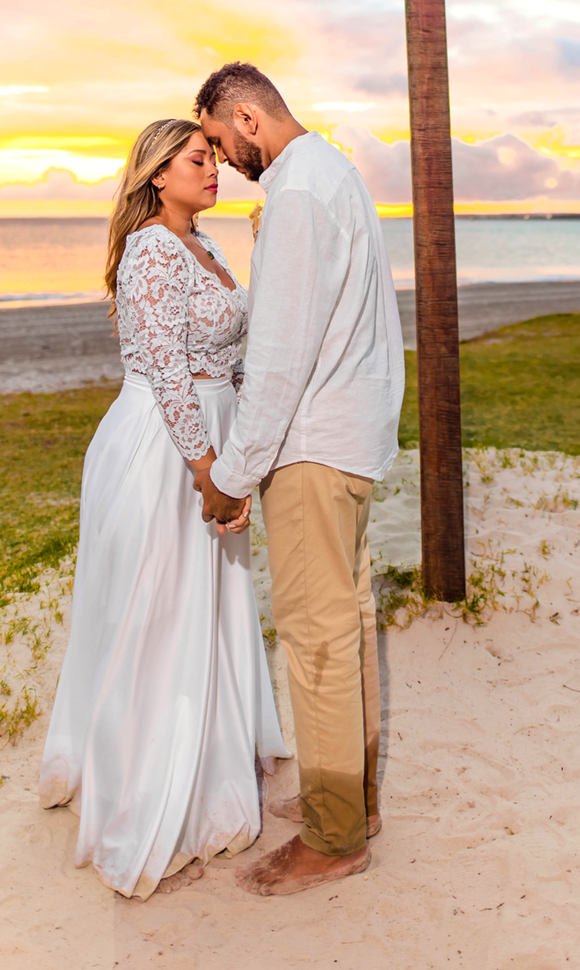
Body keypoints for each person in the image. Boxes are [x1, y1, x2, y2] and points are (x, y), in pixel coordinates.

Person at [38, 117, 285, 899]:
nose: (213, 170)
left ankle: (211, 760)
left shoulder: (204, 244)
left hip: (215, 439)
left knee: (206, 607)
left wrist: (243, 449)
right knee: (160, 614)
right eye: (197, 159)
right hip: (163, 448)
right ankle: (146, 792)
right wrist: (209, 470)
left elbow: (227, 357)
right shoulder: (151, 250)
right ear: (156, 175)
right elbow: (170, 372)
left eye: (213, 158)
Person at [194, 62, 405, 898]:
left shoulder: (298, 194)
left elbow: (280, 357)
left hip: (314, 446)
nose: (222, 158)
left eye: (220, 140)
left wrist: (234, 475)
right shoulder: (334, 173)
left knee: (317, 640)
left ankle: (333, 838)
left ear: (248, 117)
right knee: (344, 626)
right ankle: (352, 803)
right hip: (349, 438)